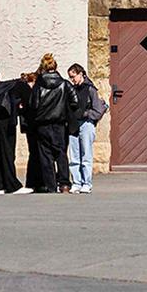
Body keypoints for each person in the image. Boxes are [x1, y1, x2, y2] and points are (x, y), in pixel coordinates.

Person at [23, 54, 74, 192]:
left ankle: (51, 185)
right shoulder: (64, 84)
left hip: (42, 125)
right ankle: (64, 184)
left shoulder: (39, 86)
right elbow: (74, 101)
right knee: (61, 154)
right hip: (59, 124)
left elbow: (33, 105)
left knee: (46, 156)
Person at [0, 62, 29, 194]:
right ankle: (12, 185)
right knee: (8, 152)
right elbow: (29, 105)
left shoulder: (5, 86)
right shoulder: (23, 87)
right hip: (7, 120)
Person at [64, 62, 104, 194]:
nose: (72, 80)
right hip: (73, 124)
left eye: (74, 76)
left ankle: (86, 183)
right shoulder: (71, 89)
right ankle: (76, 182)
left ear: (81, 74)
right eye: (70, 77)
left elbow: (98, 110)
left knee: (86, 154)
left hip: (86, 124)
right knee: (74, 155)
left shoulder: (90, 89)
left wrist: (85, 114)